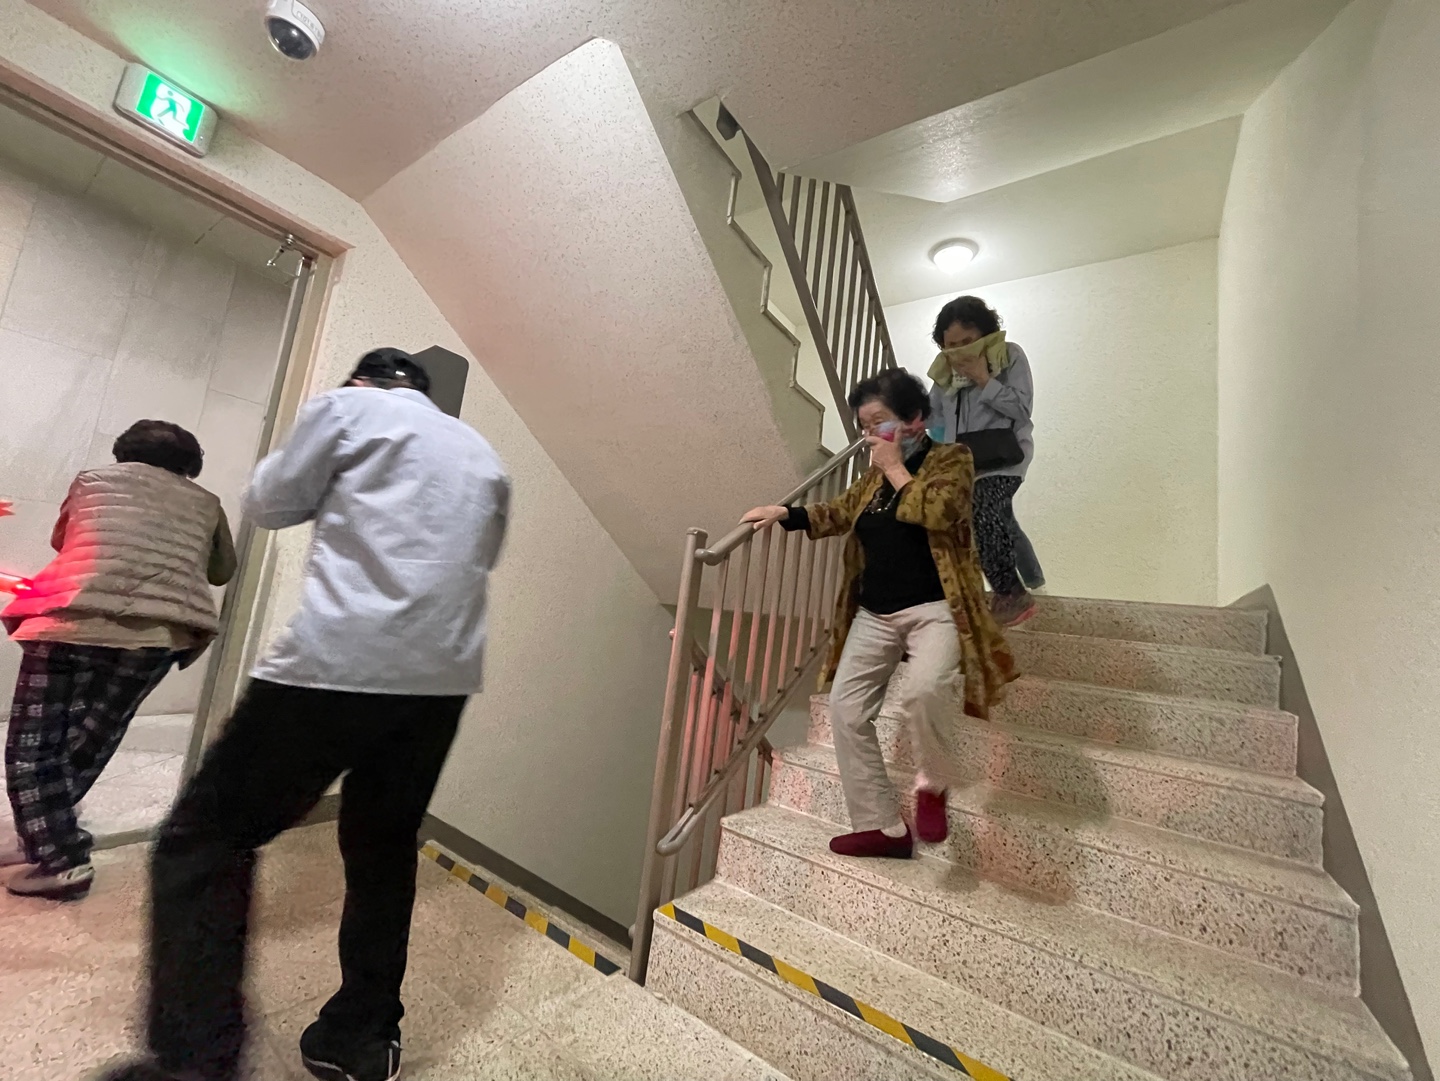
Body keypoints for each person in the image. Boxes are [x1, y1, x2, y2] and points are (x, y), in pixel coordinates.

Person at [98, 349, 510, 1081]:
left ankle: (193, 1064)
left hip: (339, 663)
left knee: (204, 841)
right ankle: (361, 1036)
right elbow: (485, 551)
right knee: (382, 848)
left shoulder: (348, 407)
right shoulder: (482, 453)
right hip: (441, 682)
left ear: (363, 380)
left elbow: (270, 502)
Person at [743, 368, 1016, 859]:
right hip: (875, 613)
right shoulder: (873, 477)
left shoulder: (952, 458)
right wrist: (787, 514)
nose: (870, 435)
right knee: (846, 709)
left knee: (924, 690)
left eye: (879, 422)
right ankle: (883, 828)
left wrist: (894, 468)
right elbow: (839, 512)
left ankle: (933, 783)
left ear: (915, 419)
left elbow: (938, 512)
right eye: (865, 426)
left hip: (936, 607)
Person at [1, 422, 236, 900]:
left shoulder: (91, 482)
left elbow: (64, 540)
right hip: (155, 635)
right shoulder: (208, 503)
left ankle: (60, 859)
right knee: (92, 738)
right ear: (190, 463)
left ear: (123, 452)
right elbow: (221, 571)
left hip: (71, 622)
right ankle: (48, 837)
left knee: (34, 746)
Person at [926, 295, 1044, 625]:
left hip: (1004, 457)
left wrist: (984, 379)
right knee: (994, 514)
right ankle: (1032, 576)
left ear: (985, 334)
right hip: (963, 462)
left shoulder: (1009, 355)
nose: (960, 351)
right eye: (951, 345)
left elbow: (1021, 409)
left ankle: (1010, 592)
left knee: (984, 507)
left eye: (968, 341)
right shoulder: (944, 373)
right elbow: (934, 420)